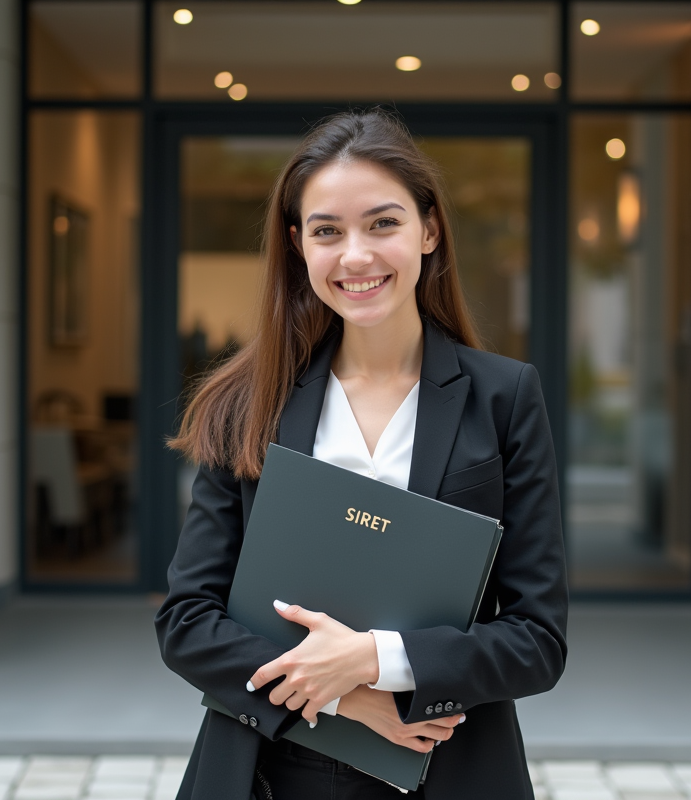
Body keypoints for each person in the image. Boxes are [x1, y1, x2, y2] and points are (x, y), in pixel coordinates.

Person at [156, 108, 568, 800]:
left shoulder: (504, 398)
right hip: (267, 769)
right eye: (327, 231)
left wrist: (376, 659)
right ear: (298, 246)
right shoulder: (250, 401)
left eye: (383, 223)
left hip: (445, 769)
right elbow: (187, 621)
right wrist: (345, 696)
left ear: (429, 229)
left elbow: (537, 640)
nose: (356, 256)